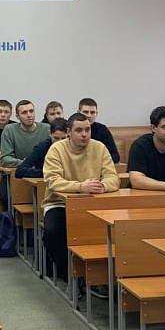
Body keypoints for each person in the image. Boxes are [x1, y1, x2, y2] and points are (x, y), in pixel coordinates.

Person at [42, 113, 120, 282]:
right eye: (79, 130)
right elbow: (52, 181)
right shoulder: (57, 149)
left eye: (87, 130)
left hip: (93, 203)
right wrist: (80, 187)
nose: (84, 134)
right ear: (69, 132)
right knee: (53, 231)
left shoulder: (99, 148)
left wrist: (102, 186)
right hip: (59, 203)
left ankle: (101, 276)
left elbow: (113, 178)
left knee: (116, 231)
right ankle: (69, 275)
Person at [0, 100, 50, 168]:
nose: (29, 115)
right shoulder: (10, 130)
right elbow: (5, 158)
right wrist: (25, 163)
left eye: (31, 111)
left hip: (43, 170)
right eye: (24, 112)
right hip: (19, 171)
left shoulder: (46, 129)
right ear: (17, 116)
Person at [78, 98, 120, 163]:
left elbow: (115, 156)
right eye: (85, 112)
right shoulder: (72, 129)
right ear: (78, 113)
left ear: (96, 114)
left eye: (92, 112)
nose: (89, 115)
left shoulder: (102, 129)